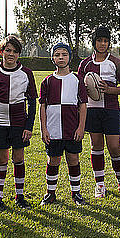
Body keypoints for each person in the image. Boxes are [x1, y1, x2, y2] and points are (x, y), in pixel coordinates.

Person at [77, 26, 120, 197]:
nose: (102, 44)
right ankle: (100, 185)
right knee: (96, 146)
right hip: (92, 111)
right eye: (99, 40)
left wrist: (108, 90)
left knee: (115, 147)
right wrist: (86, 90)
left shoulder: (116, 62)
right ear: (94, 42)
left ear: (109, 42)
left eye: (105, 40)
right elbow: (79, 90)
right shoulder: (85, 64)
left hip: (111, 110)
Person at [0, 35, 37, 210]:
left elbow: (31, 102)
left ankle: (19, 196)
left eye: (15, 51)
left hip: (19, 123)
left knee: (18, 157)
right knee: (2, 158)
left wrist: (29, 127)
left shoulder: (27, 73)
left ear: (18, 54)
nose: (11, 54)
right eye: (8, 50)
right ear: (1, 51)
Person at [39, 42, 88, 206]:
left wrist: (81, 127)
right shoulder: (47, 81)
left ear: (69, 57)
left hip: (72, 128)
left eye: (64, 54)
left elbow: (82, 105)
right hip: (53, 129)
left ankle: (76, 193)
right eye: (57, 54)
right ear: (52, 58)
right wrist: (44, 128)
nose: (61, 57)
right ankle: (50, 193)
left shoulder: (77, 80)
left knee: (73, 159)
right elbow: (43, 106)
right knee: (53, 160)